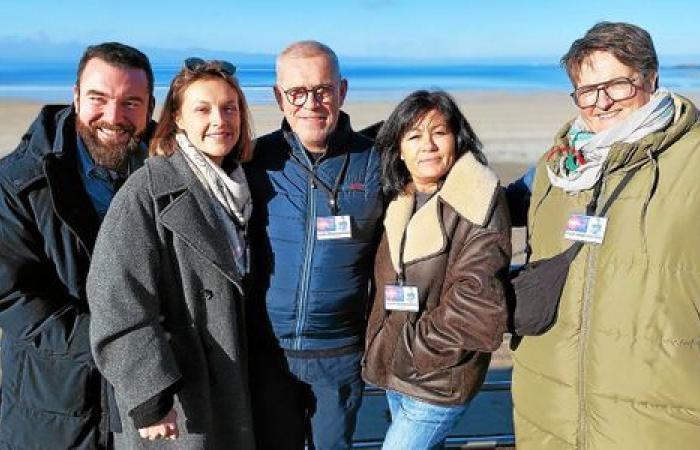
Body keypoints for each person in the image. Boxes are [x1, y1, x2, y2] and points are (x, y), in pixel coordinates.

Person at [512, 22, 700, 449]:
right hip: (550, 411)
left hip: (660, 418)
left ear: (650, 78)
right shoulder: (555, 170)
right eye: (586, 90)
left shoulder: (692, 159)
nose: (601, 103)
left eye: (616, 85)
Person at [86, 58, 256, 448]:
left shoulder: (243, 187)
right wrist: (150, 396)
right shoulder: (146, 191)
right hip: (180, 394)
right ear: (177, 117)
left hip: (235, 380)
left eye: (229, 108)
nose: (220, 120)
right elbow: (117, 296)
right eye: (203, 109)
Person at [0, 42, 154, 449]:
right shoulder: (19, 182)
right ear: (75, 96)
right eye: (98, 99)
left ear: (150, 107)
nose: (114, 116)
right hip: (53, 402)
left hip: (151, 398)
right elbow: (12, 297)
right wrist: (117, 342)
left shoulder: (168, 169)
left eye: (130, 103)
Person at [245, 40, 384, 450]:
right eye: (297, 93)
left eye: (323, 90)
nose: (311, 103)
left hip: (339, 354)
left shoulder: (375, 162)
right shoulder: (256, 158)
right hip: (268, 351)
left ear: (342, 91)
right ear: (278, 97)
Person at [362, 90, 511, 450]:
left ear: (456, 139)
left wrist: (418, 349)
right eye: (414, 136)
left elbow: (476, 298)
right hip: (396, 368)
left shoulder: (477, 199)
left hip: (437, 376)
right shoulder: (399, 197)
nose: (427, 145)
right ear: (398, 149)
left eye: (439, 133)